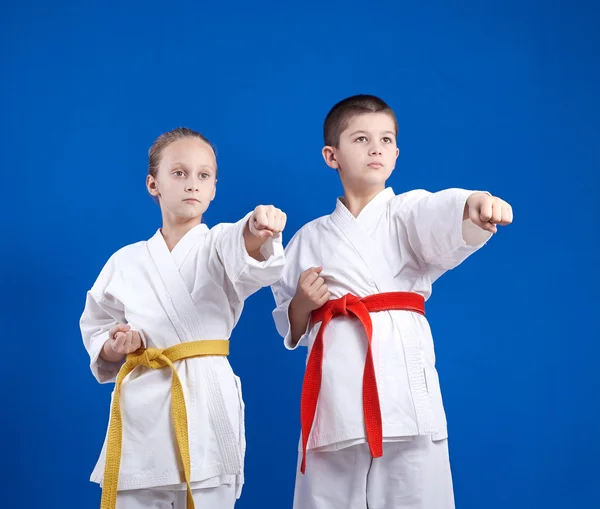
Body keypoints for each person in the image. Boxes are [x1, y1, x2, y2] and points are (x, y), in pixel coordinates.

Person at [271, 95, 513, 509]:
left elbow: (440, 212)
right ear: (333, 156)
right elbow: (292, 326)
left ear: (397, 154)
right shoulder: (307, 238)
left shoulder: (406, 212)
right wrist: (302, 303)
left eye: (386, 140)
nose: (376, 148)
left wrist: (472, 205)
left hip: (406, 399)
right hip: (336, 401)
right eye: (361, 139)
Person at [80, 127, 287, 509]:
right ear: (153, 183)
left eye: (203, 175)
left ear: (213, 189)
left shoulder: (219, 244)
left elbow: (243, 247)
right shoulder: (124, 262)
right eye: (179, 173)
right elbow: (97, 328)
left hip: (207, 404)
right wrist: (114, 344)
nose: (192, 183)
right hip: (142, 410)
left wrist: (257, 229)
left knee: (208, 491)